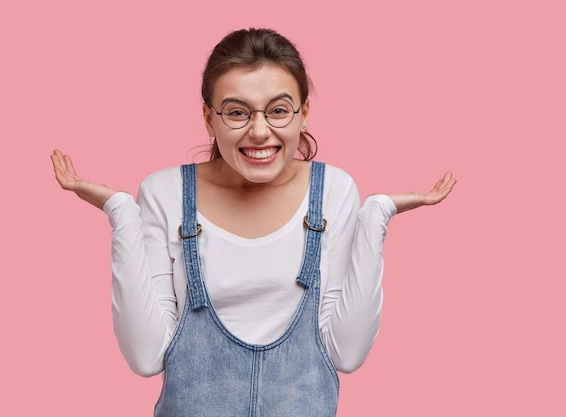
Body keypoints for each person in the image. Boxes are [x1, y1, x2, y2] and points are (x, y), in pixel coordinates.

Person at [51, 28, 456, 417]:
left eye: (278, 111)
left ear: (304, 113)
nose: (260, 131)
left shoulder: (333, 189)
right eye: (237, 112)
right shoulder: (165, 193)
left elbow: (346, 354)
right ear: (209, 118)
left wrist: (376, 216)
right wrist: (122, 212)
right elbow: (145, 357)